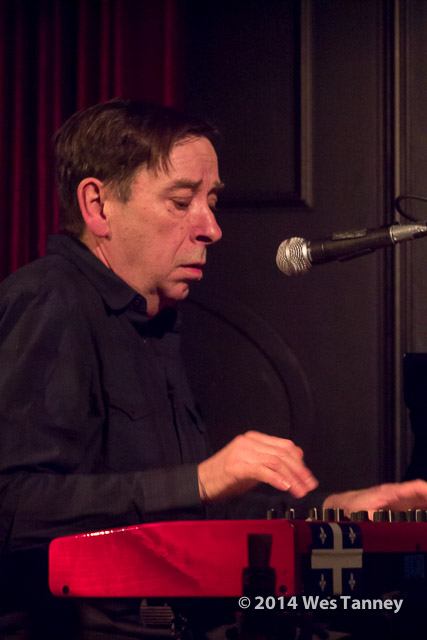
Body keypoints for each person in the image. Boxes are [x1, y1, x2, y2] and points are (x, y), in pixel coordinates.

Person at [0, 99, 318, 639]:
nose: (211, 228)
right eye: (181, 201)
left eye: (211, 201)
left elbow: (182, 512)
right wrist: (202, 479)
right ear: (98, 206)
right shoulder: (50, 299)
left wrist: (335, 514)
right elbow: (11, 505)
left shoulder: (153, 321)